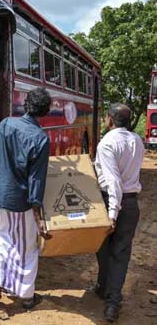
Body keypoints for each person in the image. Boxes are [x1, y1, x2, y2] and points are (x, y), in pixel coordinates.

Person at [0, 87, 52, 309]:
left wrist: (5, 172)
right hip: (21, 202)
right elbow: (36, 181)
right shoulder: (40, 138)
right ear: (45, 111)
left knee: (4, 238)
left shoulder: (5, 124)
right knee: (27, 247)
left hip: (1, 194)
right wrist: (39, 217)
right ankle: (27, 296)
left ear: (26, 104)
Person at [94, 103, 144, 322]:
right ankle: (110, 297)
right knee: (121, 253)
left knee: (103, 247)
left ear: (110, 119)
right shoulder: (137, 140)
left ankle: (109, 296)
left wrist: (112, 213)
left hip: (111, 202)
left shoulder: (107, 143)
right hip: (132, 203)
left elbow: (113, 181)